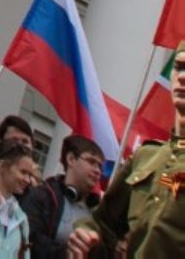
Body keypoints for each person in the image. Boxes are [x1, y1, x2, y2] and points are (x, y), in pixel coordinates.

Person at [68, 37, 185, 257]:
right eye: (179, 67)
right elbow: (104, 224)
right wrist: (87, 237)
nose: (182, 77)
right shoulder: (147, 156)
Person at [21, 135, 103, 256]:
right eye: (91, 161)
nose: (98, 171)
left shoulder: (98, 211)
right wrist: (67, 252)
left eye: (100, 166)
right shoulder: (42, 196)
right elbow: (30, 239)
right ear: (71, 159)